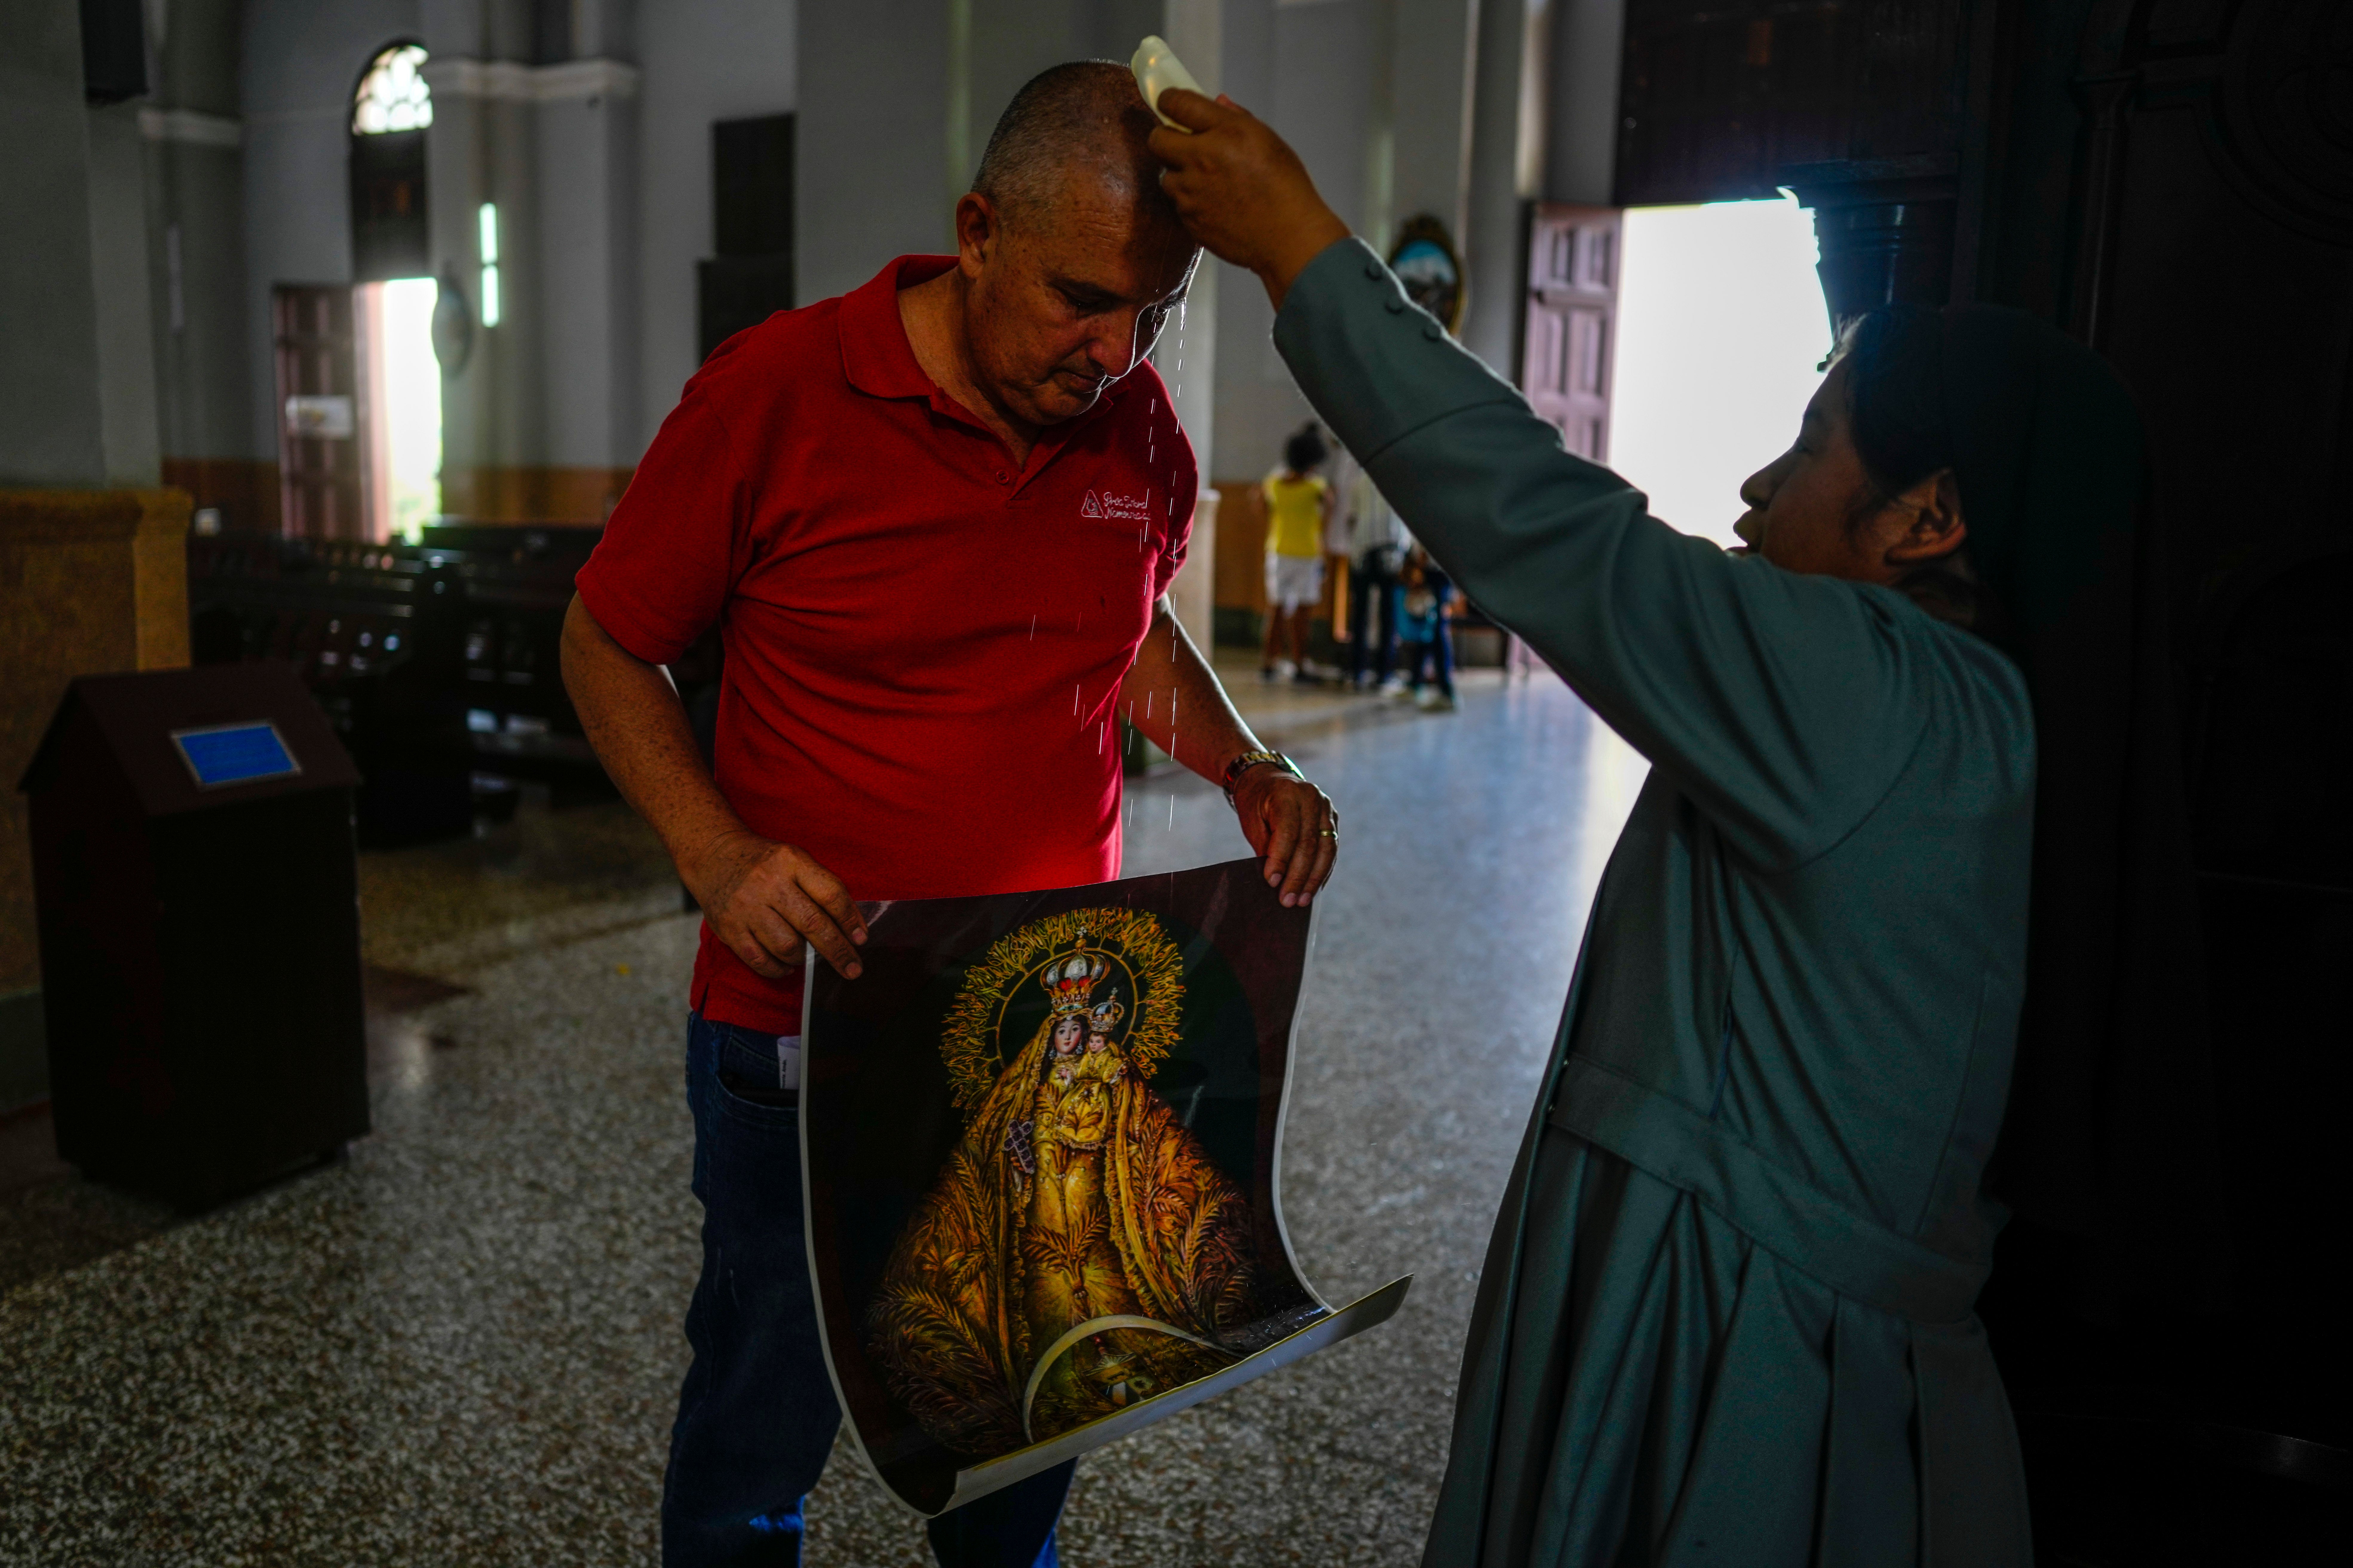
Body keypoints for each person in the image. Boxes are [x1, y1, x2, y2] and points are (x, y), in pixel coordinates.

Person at [1146, 84, 2196, 1564]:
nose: (1763, 485)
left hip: (1734, 1338)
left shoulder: (1875, 692)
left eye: (1815, 442)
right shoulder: (1993, 723)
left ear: (1927, 517)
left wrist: (1304, 248)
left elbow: (1556, 532)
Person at [562, 62, 1337, 1568]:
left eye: (1153, 314)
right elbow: (606, 640)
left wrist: (1245, 764)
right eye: (1080, 300)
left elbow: (1131, 637)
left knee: (1026, 1415)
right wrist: (715, 853)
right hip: (805, 1028)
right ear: (977, 230)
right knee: (762, 1425)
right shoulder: (775, 396)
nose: (1114, 353)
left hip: (1046, 1038)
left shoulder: (1137, 431)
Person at [1260, 423, 1334, 682]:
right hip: (1307, 554)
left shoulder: (1274, 485)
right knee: (1303, 615)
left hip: (1278, 551)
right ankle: (1300, 664)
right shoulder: (1316, 488)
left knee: (1276, 610)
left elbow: (1261, 506)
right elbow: (1329, 512)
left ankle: (1269, 662)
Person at [1336, 452, 1409, 691]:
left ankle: (1358, 671)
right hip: (1391, 552)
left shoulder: (1360, 482)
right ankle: (1384, 674)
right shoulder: (1398, 484)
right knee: (1388, 615)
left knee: (1361, 614)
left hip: (1362, 552)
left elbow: (1351, 519)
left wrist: (1356, 545)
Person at [1393, 543, 1455, 713]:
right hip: (1434, 567)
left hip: (1438, 568)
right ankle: (1416, 684)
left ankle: (1448, 693)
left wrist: (1420, 562)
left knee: (1437, 630)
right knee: (1427, 629)